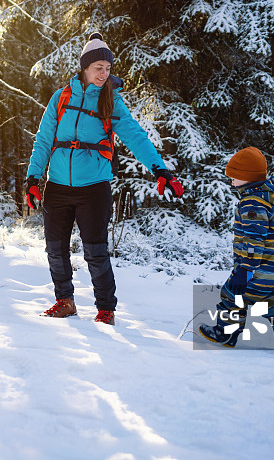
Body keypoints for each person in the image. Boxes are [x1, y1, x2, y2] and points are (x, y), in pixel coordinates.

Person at [24, 32, 183, 325]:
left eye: (108, 68)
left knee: (95, 251)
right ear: (85, 67)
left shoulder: (111, 101)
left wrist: (160, 170)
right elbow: (44, 140)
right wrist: (33, 179)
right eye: (99, 67)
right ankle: (65, 301)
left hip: (94, 188)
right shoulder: (61, 98)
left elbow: (136, 136)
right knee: (55, 249)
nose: (104, 73)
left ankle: (105, 308)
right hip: (57, 186)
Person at [198, 147, 274, 352]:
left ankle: (226, 333)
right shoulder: (273, 198)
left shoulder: (252, 203)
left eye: (235, 176)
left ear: (247, 177)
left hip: (259, 266)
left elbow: (254, 239)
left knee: (233, 294)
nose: (231, 180)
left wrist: (245, 269)